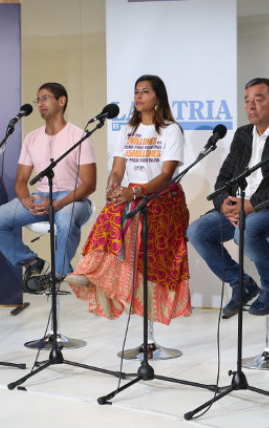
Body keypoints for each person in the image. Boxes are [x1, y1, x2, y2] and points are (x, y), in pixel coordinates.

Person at [66, 75, 190, 325]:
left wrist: (133, 193)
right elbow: (118, 169)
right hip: (134, 194)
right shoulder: (128, 129)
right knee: (113, 210)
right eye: (136, 92)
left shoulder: (170, 129)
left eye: (145, 91)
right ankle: (92, 270)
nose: (139, 97)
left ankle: (92, 272)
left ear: (158, 97)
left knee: (125, 215)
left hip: (163, 197)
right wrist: (113, 187)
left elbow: (166, 176)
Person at [187, 78, 269, 319]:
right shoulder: (243, 135)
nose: (251, 106)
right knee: (197, 231)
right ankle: (242, 284)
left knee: (244, 231)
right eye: (247, 101)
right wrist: (223, 202)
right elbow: (224, 176)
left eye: (258, 99)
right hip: (244, 205)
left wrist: (252, 205)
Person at [0, 82, 96, 293]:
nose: (40, 103)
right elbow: (21, 181)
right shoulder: (32, 138)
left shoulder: (78, 136)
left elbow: (89, 184)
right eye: (38, 100)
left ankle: (59, 273)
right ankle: (32, 262)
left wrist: (58, 203)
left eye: (45, 98)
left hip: (73, 199)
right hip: (42, 196)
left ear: (61, 101)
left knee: (66, 216)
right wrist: (26, 201)